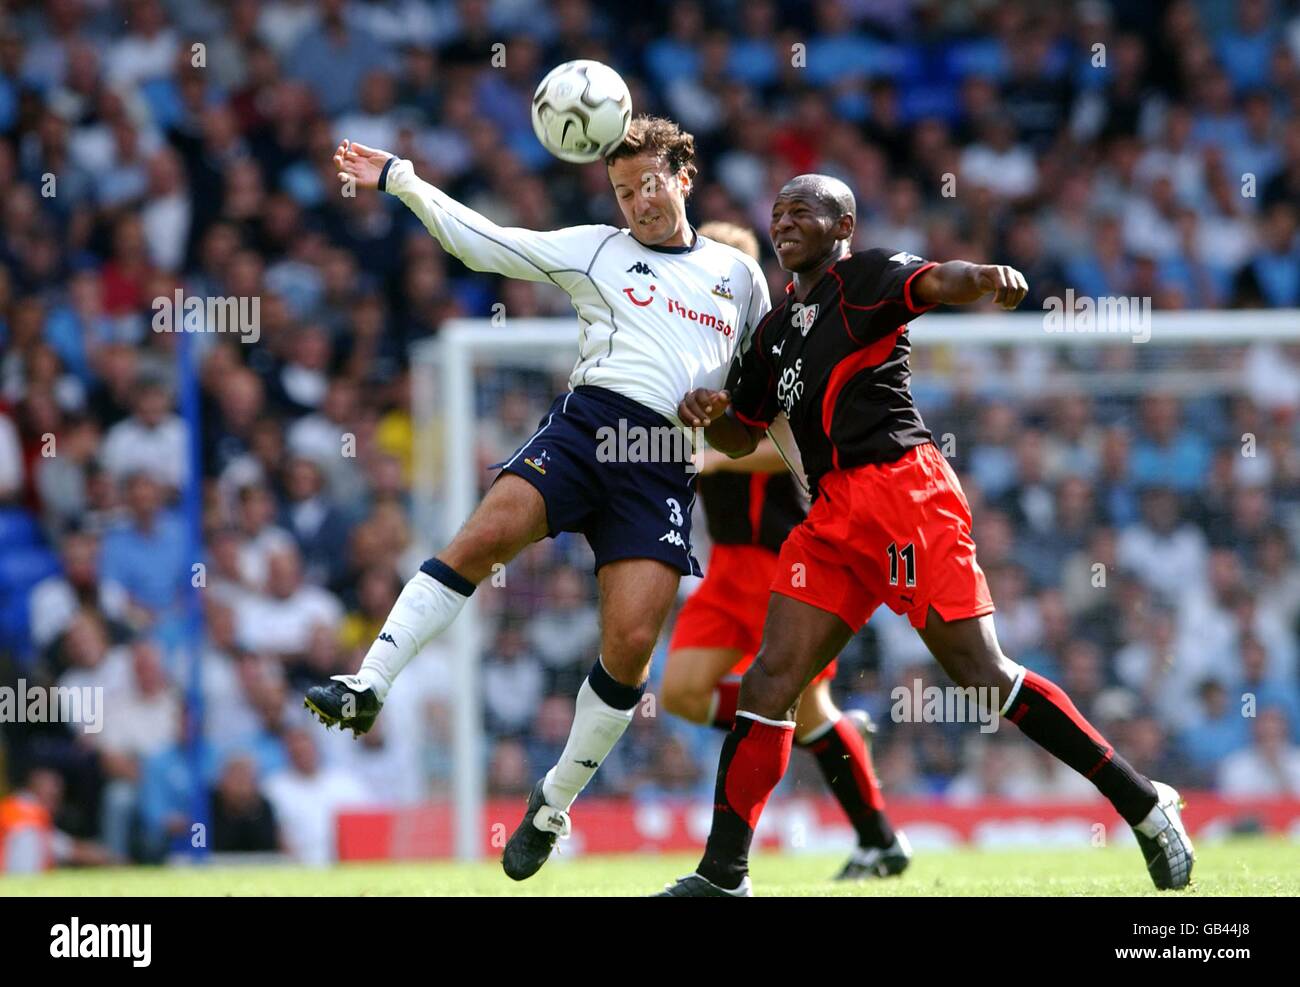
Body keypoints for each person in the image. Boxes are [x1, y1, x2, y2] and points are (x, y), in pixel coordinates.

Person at [659, 174, 1193, 896]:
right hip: (830, 516)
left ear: (842, 222)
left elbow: (938, 281)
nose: (784, 221)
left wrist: (984, 279)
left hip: (903, 492)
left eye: (802, 210)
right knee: (769, 679)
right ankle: (723, 874)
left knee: (982, 673)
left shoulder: (867, 276)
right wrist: (707, 409)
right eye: (777, 212)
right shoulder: (776, 331)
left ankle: (1144, 802)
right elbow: (738, 429)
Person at [306, 117, 771, 882]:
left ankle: (551, 803)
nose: (637, 204)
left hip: (659, 462)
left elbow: (748, 415)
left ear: (684, 177)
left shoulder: (740, 278)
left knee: (628, 649)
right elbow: (481, 242)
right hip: (587, 429)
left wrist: (722, 411)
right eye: (623, 191)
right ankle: (368, 682)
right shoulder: (596, 249)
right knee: (483, 536)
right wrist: (402, 178)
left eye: (650, 185)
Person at [662, 221, 908, 881]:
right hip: (728, 566)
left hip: (782, 560)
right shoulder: (703, 353)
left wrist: (712, 460)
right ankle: (799, 731)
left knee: (804, 708)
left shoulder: (777, 345)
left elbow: (790, 449)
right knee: (681, 691)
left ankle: (878, 838)